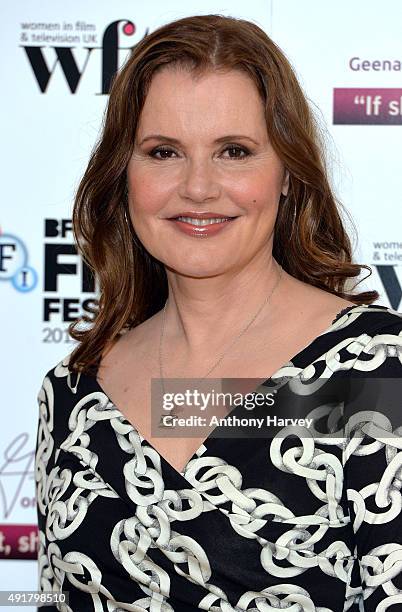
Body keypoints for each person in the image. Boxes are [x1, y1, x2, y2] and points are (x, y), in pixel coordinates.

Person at [34, 13, 402, 612]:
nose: (199, 187)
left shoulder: (376, 373)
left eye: (234, 151)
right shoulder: (73, 395)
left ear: (287, 174)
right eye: (163, 152)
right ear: (123, 174)